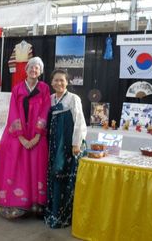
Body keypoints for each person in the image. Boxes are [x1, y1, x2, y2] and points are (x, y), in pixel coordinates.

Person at [0, 57, 51, 219]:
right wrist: (21, 137)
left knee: (36, 166)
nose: (34, 70)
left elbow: (45, 111)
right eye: (31, 67)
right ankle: (16, 202)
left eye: (37, 68)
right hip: (19, 135)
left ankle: (35, 204)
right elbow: (13, 113)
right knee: (17, 167)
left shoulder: (44, 89)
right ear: (26, 69)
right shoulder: (17, 89)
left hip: (37, 135)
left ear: (41, 71)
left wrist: (37, 136)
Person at [45, 69, 87, 228]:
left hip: (68, 144)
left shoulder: (73, 99)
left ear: (67, 82)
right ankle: (53, 213)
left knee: (64, 176)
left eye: (62, 80)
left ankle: (64, 216)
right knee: (54, 175)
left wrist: (76, 143)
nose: (58, 83)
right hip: (54, 143)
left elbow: (80, 122)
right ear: (51, 82)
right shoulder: (50, 99)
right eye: (55, 80)